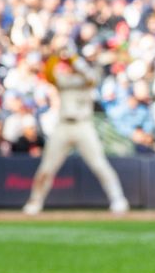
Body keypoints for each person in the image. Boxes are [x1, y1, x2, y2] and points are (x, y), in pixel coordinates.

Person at [23, 49, 129, 215]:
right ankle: (35, 201)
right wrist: (56, 56)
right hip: (63, 126)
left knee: (99, 164)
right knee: (47, 167)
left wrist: (73, 58)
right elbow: (49, 75)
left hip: (83, 125)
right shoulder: (64, 80)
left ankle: (118, 199)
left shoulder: (88, 78)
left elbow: (91, 77)